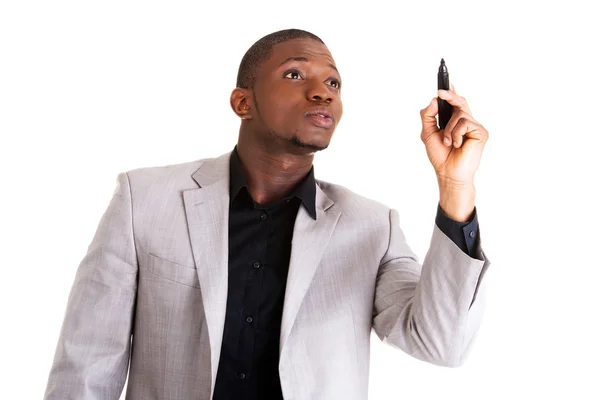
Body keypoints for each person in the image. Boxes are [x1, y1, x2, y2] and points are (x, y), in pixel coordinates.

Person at [44, 28, 490, 400]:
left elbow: (441, 344)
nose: (322, 92)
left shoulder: (372, 227)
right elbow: (85, 366)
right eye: (295, 74)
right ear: (243, 103)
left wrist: (456, 187)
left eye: (333, 84)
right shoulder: (144, 200)